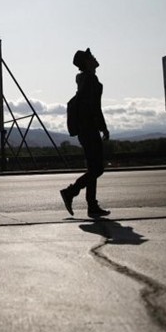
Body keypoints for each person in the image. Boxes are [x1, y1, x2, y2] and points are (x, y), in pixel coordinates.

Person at [60, 49, 111, 218]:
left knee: (93, 168)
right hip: (89, 129)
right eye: (90, 57)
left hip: (86, 130)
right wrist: (102, 127)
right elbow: (94, 107)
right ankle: (70, 192)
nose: (94, 57)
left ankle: (92, 206)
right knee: (98, 169)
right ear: (86, 62)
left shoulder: (85, 80)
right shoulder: (89, 80)